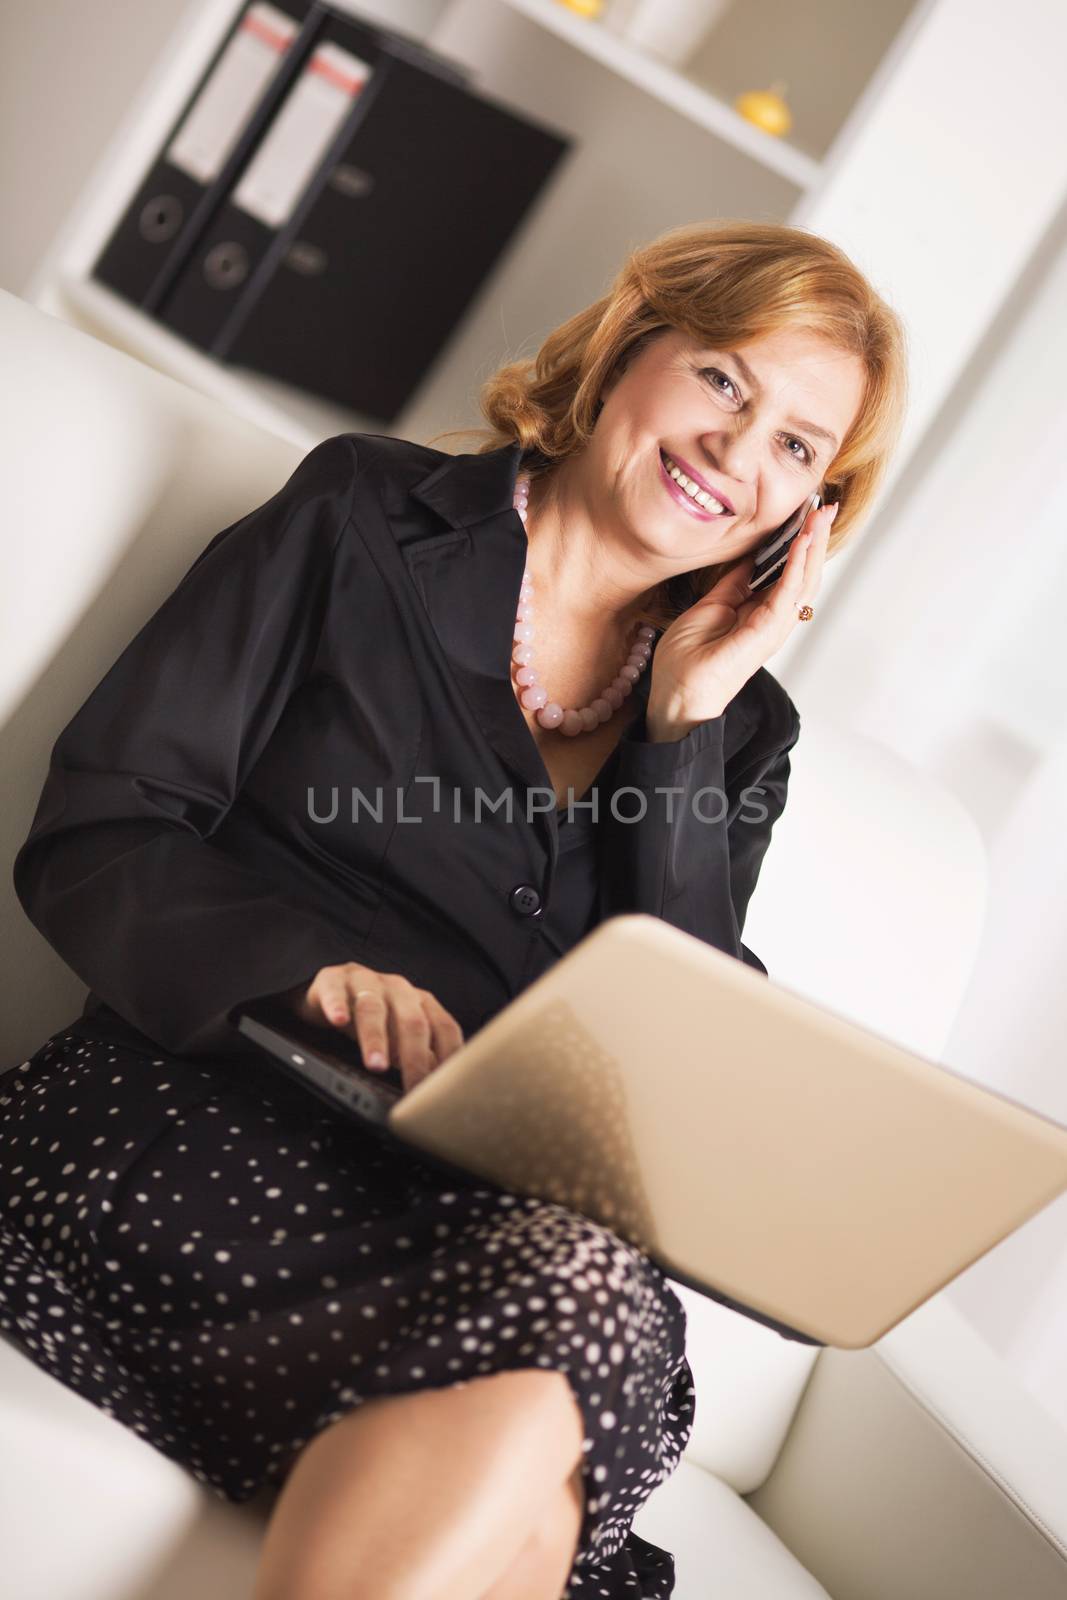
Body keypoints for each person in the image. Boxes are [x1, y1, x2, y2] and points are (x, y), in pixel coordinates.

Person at [2, 218, 906, 1600]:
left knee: (577, 1296)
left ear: (816, 510)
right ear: (628, 348)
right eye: (725, 380)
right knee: (543, 1471)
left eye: (799, 444)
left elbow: (671, 1077)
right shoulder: (362, 515)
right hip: (195, 1131)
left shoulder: (743, 728)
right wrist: (306, 971)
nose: (741, 453)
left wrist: (683, 727)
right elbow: (98, 830)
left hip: (477, 1233)